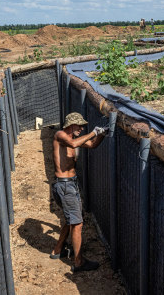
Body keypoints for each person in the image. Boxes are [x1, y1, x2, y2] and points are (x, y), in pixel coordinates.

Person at [50, 112, 106, 272]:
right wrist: (93, 132)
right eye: (79, 125)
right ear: (70, 125)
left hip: (70, 186)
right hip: (65, 187)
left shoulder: (73, 140)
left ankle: (57, 249)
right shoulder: (60, 135)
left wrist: (102, 135)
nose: (82, 128)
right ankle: (79, 262)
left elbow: (93, 144)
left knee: (71, 220)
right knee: (77, 223)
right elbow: (74, 144)